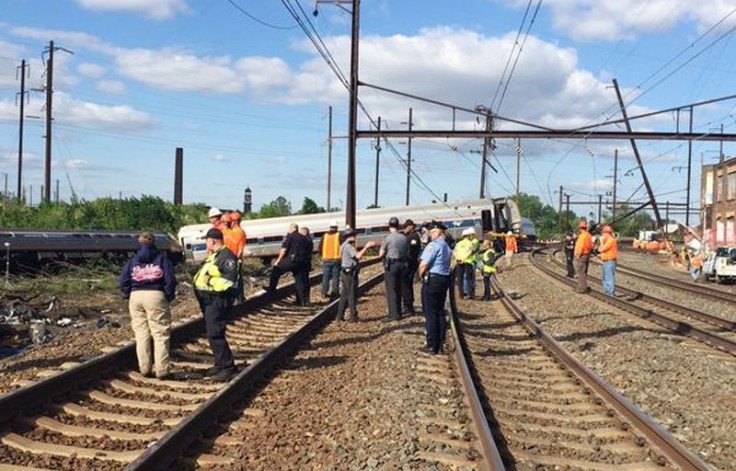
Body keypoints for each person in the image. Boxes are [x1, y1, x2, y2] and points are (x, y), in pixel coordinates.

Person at [118, 232, 176, 380]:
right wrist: (168, 296)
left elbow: (123, 280)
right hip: (155, 294)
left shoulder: (133, 260)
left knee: (141, 334)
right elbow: (169, 279)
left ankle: (144, 368)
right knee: (160, 333)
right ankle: (162, 370)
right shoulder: (161, 258)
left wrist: (127, 294)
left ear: (140, 243)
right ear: (154, 242)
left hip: (136, 296)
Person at [193, 228, 238, 381]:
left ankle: (227, 366)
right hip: (209, 300)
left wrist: (209, 281)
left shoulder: (227, 257)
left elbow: (228, 281)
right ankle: (219, 363)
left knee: (216, 333)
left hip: (218, 300)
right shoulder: (215, 256)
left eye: (206, 240)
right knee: (213, 333)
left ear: (212, 240)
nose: (206, 243)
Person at [418, 226, 452, 354]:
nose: (430, 235)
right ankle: (441, 342)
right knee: (439, 311)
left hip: (433, 280)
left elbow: (424, 264)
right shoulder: (447, 246)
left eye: (432, 232)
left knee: (430, 312)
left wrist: (421, 275)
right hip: (444, 278)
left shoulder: (433, 245)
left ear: (438, 233)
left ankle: (432, 344)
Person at [336, 230, 376, 322]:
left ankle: (339, 315)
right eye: (353, 235)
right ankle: (353, 317)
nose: (355, 237)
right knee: (351, 294)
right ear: (348, 236)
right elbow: (358, 256)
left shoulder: (343, 246)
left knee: (344, 294)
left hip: (345, 271)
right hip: (350, 272)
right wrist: (366, 247)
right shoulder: (349, 247)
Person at [267, 223, 312, 305]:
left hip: (292, 261)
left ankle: (271, 289)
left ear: (292, 228)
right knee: (299, 281)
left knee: (276, 270)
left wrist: (278, 261)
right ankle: (301, 301)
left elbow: (284, 249)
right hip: (301, 262)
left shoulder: (290, 236)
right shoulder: (305, 238)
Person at [378, 217, 409, 322]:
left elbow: (381, 254)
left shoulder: (387, 238)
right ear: (398, 225)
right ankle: (399, 312)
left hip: (392, 265)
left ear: (389, 226)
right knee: (399, 289)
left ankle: (393, 315)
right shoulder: (404, 238)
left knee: (392, 290)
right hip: (403, 264)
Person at [402, 219, 421, 315]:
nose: (404, 229)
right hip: (410, 264)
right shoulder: (410, 236)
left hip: (410, 264)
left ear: (411, 226)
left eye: (405, 227)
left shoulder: (413, 237)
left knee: (407, 286)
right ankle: (408, 305)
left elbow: (411, 252)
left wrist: (406, 261)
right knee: (407, 285)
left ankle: (408, 307)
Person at [318, 220, 342, 301]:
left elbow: (320, 248)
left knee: (325, 277)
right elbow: (343, 246)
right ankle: (335, 293)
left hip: (326, 259)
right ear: (336, 227)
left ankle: (324, 293)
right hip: (336, 259)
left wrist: (322, 256)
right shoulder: (339, 235)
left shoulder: (324, 236)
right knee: (335, 277)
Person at [453, 228, 478, 299]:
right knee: (469, 278)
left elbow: (455, 252)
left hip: (459, 262)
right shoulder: (470, 243)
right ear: (468, 236)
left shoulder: (458, 243)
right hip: (467, 262)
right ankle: (470, 294)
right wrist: (464, 259)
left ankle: (461, 294)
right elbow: (470, 252)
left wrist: (458, 259)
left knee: (460, 279)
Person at [574, 220, 593, 293]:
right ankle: (583, 286)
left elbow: (580, 246)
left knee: (581, 271)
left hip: (582, 255)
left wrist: (578, 254)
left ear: (580, 228)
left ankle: (582, 288)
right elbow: (591, 245)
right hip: (587, 254)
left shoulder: (582, 236)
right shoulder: (588, 235)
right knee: (584, 271)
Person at [598, 225, 618, 296]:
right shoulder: (607, 240)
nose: (602, 235)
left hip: (610, 261)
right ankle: (607, 292)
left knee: (609, 278)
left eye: (603, 233)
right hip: (606, 261)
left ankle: (610, 293)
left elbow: (601, 249)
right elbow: (599, 249)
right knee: (605, 278)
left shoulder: (611, 240)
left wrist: (601, 241)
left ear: (607, 233)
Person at [298, 226, 314, 305]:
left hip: (302, 264)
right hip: (307, 263)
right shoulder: (309, 240)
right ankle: (306, 299)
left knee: (301, 282)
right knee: (305, 281)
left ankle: (302, 299)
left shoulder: (304, 241)